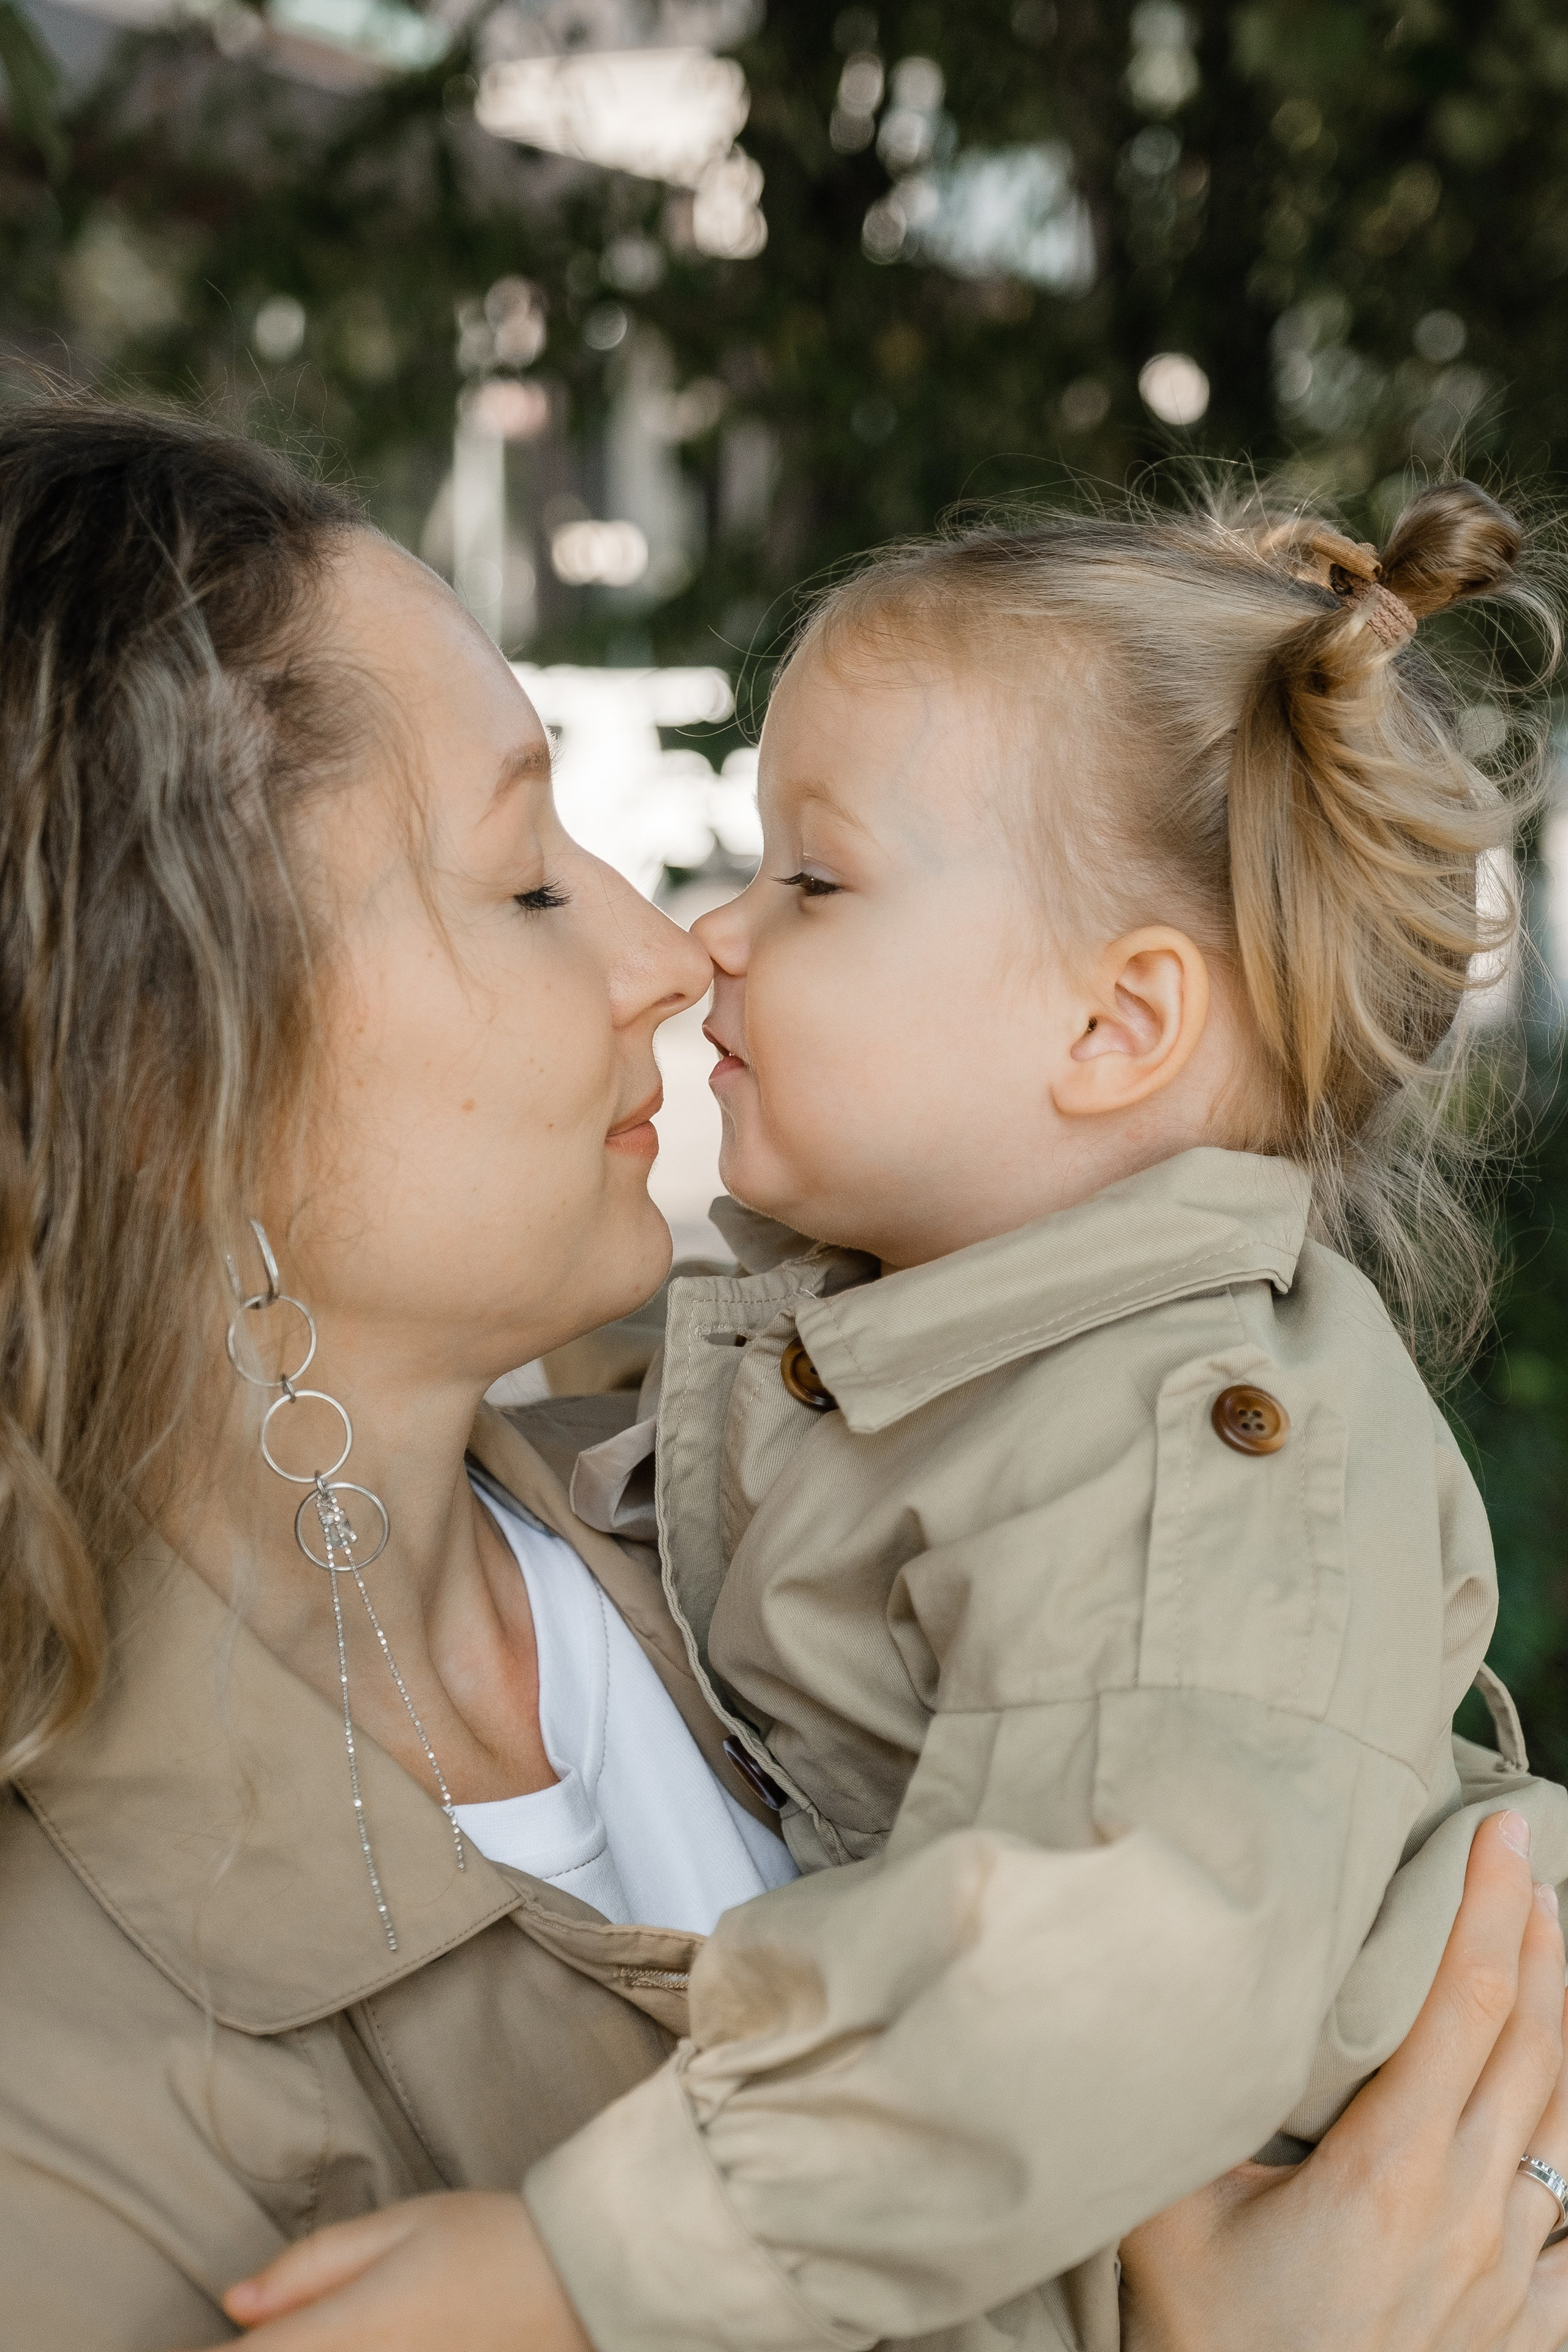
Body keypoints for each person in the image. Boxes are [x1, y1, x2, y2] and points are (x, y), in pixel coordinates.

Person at [0, 399, 1552, 2352]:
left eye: (808, 884)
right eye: (527, 879)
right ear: (165, 1067)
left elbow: (1180, 1950)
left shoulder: (939, 1473)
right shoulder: (62, 2099)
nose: (675, 954)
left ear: (1120, 1022)